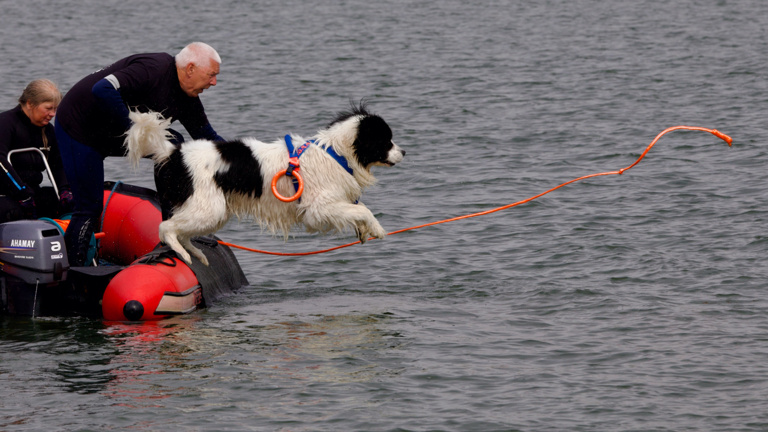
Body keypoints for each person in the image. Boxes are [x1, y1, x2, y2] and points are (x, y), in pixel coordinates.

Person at [54, 42, 224, 266]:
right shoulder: (153, 69)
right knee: (89, 207)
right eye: (211, 75)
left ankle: (170, 231)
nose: (214, 82)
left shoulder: (187, 97)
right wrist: (134, 128)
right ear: (190, 68)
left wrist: (252, 158)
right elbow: (102, 88)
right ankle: (72, 273)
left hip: (113, 131)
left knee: (174, 144)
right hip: (79, 130)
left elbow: (206, 136)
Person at [0, 79, 72, 222]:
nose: (53, 114)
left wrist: (65, 190)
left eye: (55, 109)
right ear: (30, 104)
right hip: (6, 193)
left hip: (31, 193)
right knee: (13, 212)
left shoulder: (49, 131)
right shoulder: (6, 123)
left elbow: (57, 165)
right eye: (48, 108)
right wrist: (21, 192)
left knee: (70, 204)